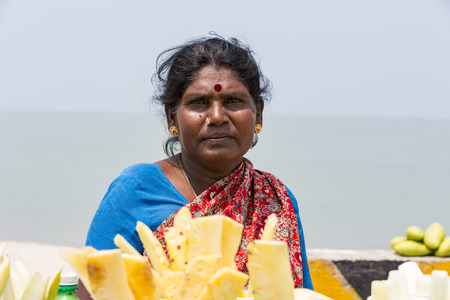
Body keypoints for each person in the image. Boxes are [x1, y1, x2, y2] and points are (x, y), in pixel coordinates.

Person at [85, 35, 313, 291]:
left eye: (233, 101)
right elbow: (93, 290)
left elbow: (300, 294)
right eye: (198, 103)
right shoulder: (137, 189)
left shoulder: (276, 199)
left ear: (258, 112)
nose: (216, 117)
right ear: (171, 116)